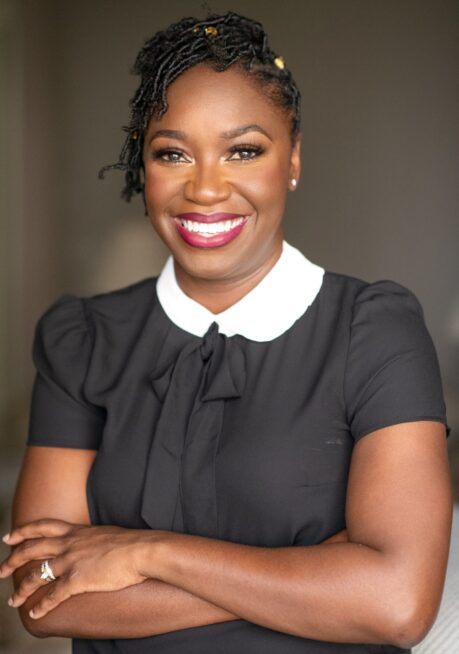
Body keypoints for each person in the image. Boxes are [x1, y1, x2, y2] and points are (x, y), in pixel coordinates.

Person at [0, 11, 452, 654]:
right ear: (144, 167)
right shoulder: (83, 339)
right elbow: (40, 596)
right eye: (172, 153)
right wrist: (314, 573)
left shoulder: (373, 331)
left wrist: (146, 553)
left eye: (243, 150)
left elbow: (397, 602)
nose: (206, 188)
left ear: (292, 157)